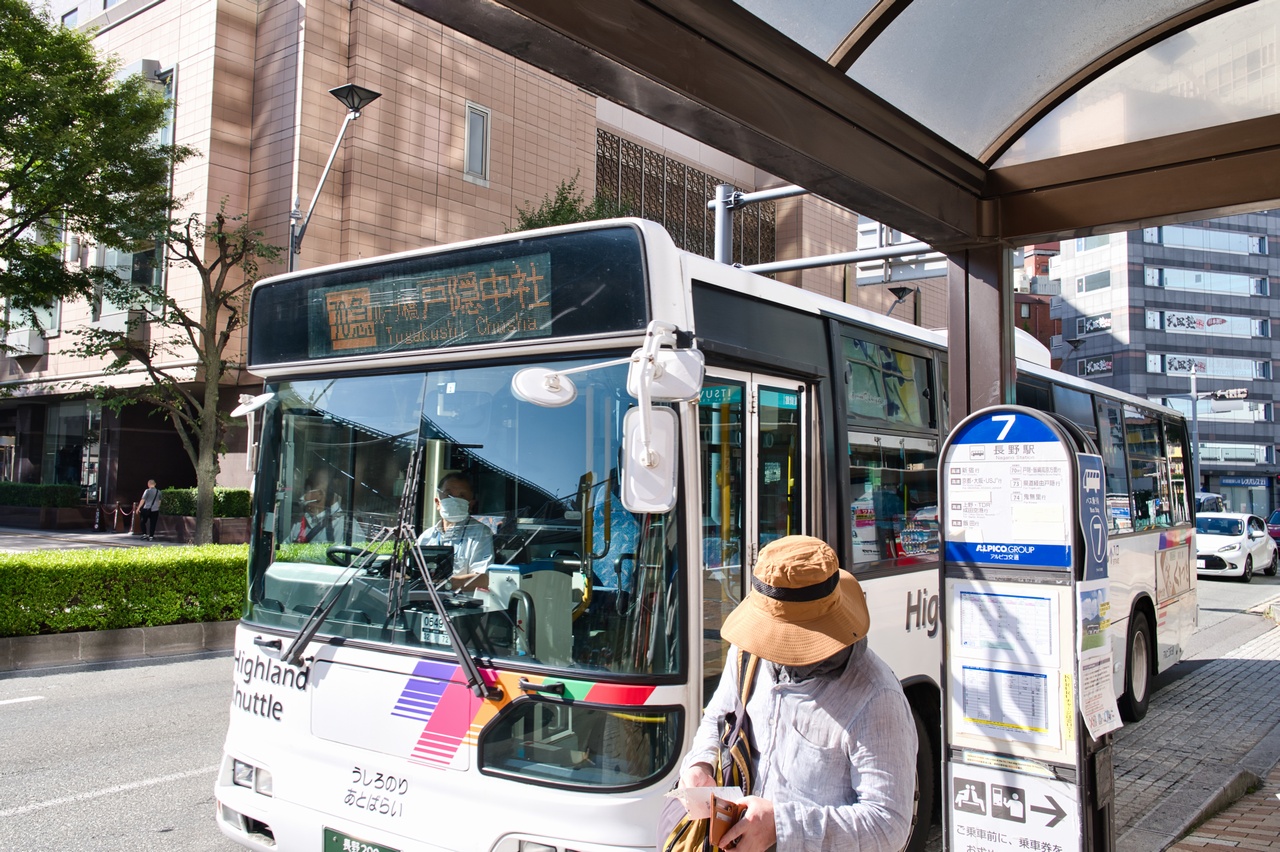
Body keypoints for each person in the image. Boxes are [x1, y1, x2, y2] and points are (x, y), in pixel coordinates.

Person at [678, 535, 917, 852]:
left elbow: (888, 825)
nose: (772, 651)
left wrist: (781, 826)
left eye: (784, 638)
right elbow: (718, 717)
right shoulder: (750, 653)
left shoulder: (876, 698)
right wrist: (701, 764)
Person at [417, 471, 494, 591]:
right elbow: (414, 573)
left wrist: (445, 584)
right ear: (438, 503)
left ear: (471, 504)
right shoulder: (426, 537)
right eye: (448, 494)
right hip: (427, 599)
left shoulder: (480, 533)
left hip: (462, 601)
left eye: (462, 496)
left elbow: (484, 579)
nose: (454, 500)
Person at [290, 468, 363, 544]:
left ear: (319, 494)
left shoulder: (345, 527)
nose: (303, 495)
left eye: (308, 489)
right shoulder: (300, 523)